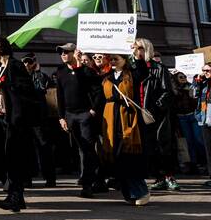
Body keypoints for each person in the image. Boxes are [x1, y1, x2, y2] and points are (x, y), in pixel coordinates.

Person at [0, 37, 38, 212]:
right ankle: (14, 195)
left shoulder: (15, 66)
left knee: (15, 158)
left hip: (15, 121)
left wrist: (2, 83)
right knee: (4, 157)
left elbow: (26, 87)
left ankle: (16, 196)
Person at [99, 53, 150, 205]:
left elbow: (143, 72)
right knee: (116, 157)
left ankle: (141, 192)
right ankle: (129, 193)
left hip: (127, 117)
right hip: (110, 117)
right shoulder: (106, 76)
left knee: (130, 156)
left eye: (117, 59)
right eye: (112, 59)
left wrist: (138, 56)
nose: (113, 61)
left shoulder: (131, 74)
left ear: (125, 60)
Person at [54, 44, 104, 197]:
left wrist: (93, 110)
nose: (63, 54)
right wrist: (61, 117)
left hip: (85, 115)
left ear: (74, 53)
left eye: (66, 52)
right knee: (82, 148)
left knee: (88, 148)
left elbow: (98, 92)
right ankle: (97, 178)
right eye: (61, 52)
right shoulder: (61, 72)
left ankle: (88, 184)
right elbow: (60, 96)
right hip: (70, 115)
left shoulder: (86, 71)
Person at [131, 39, 179, 192]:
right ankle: (158, 177)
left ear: (146, 49)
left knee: (163, 145)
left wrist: (156, 107)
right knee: (149, 146)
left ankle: (169, 176)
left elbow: (167, 91)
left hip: (157, 114)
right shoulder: (132, 68)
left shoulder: (158, 68)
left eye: (139, 48)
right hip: (140, 111)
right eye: (134, 47)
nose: (136, 50)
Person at [22, 53, 59, 188]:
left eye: (29, 62)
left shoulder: (40, 76)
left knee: (44, 148)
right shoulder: (20, 76)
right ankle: (28, 178)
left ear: (34, 63)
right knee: (26, 149)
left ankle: (50, 177)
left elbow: (42, 88)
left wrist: (37, 72)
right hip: (25, 118)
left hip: (39, 119)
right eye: (24, 62)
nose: (26, 64)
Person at [173, 70, 205, 175]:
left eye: (184, 76)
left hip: (192, 116)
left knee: (198, 140)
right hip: (182, 118)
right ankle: (194, 164)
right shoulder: (174, 90)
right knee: (189, 142)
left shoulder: (191, 87)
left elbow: (196, 99)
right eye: (180, 77)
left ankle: (203, 163)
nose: (183, 78)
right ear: (176, 79)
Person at [196, 62, 211, 188]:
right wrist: (197, 82)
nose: (205, 72)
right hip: (206, 120)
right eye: (203, 70)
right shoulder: (204, 84)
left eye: (208, 70)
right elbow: (194, 95)